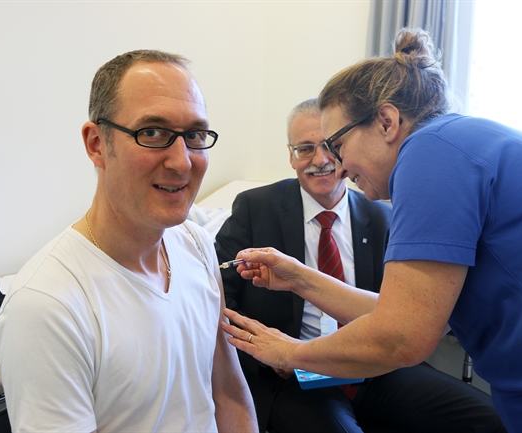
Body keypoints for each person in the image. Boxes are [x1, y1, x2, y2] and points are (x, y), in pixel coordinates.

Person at [221, 28, 522, 433]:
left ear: (387, 122)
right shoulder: (458, 142)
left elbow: (401, 336)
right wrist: (301, 279)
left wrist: (289, 353)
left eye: (337, 145)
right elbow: (412, 315)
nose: (337, 167)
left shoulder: (429, 153)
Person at [0, 50, 257, 433]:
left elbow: (228, 393)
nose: (182, 161)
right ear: (96, 144)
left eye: (195, 135)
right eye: (152, 133)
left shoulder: (196, 244)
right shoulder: (47, 305)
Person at [216, 98, 506, 433]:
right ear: (291, 155)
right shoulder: (255, 208)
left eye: (330, 147)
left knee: (494, 420)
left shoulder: (384, 215)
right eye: (305, 149)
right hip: (292, 375)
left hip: (372, 368)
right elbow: (220, 299)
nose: (320, 160)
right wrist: (264, 353)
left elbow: (401, 311)